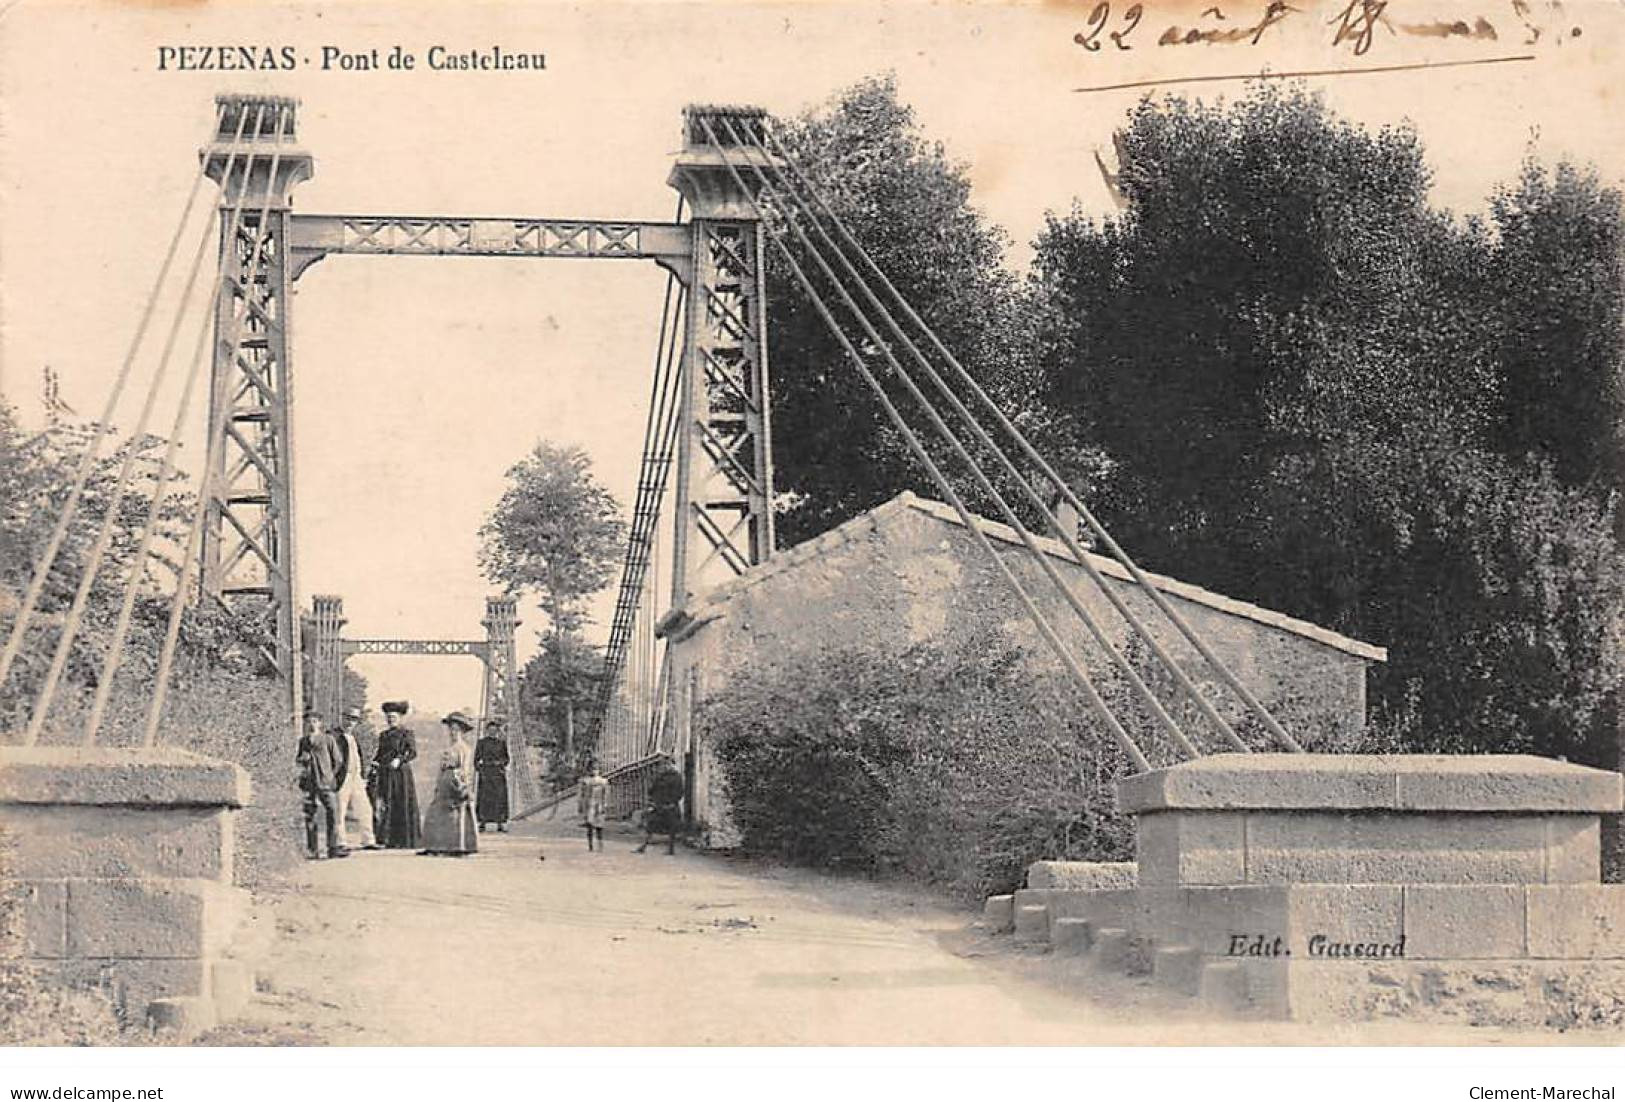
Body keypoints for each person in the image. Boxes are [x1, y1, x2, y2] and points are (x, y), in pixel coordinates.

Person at [420, 711, 478, 857]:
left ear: (462, 732)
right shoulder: (448, 748)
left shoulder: (464, 749)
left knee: (456, 815)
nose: (453, 733)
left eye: (456, 730)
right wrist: (438, 783)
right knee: (436, 812)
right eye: (451, 729)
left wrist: (463, 786)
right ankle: (435, 845)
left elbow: (464, 769)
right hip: (444, 781)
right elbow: (441, 767)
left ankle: (458, 846)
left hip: (455, 780)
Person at [296, 711, 350, 860]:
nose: (311, 725)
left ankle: (332, 848)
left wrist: (331, 775)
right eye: (309, 722)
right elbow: (298, 761)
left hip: (326, 782)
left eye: (314, 721)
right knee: (310, 815)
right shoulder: (304, 741)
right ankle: (312, 850)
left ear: (320, 723)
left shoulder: (328, 739)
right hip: (309, 784)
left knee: (332, 813)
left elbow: (338, 761)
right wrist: (303, 761)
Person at [373, 700, 421, 849]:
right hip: (386, 773)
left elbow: (412, 752)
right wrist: (375, 763)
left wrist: (399, 760)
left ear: (400, 718)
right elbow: (380, 753)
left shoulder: (407, 734)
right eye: (388, 717)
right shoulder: (383, 735)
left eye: (393, 717)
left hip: (401, 775)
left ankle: (405, 839)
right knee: (387, 803)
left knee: (402, 802)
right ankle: (389, 839)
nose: (390, 720)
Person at [334, 706, 379, 850]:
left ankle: (368, 840)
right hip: (342, 778)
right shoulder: (334, 737)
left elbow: (359, 758)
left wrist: (362, 775)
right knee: (340, 809)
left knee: (365, 808)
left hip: (356, 777)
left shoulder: (354, 738)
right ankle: (340, 841)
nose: (350, 722)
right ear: (342, 718)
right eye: (348, 718)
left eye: (354, 719)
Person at [635, 755, 684, 856]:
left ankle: (671, 849)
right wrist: (652, 801)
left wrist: (672, 802)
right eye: (664, 764)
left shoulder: (677, 777)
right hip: (659, 805)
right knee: (650, 825)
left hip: (671, 806)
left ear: (673, 765)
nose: (666, 766)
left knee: (672, 828)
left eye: (668, 764)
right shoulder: (660, 776)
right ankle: (643, 846)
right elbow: (652, 789)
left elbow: (680, 792)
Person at [474, 718, 511, 832]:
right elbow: (476, 759)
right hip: (486, 774)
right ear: (487, 731)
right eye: (490, 730)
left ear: (497, 731)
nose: (492, 732)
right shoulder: (482, 743)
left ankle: (500, 823)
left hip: (498, 775)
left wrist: (501, 765)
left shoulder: (501, 743)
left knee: (499, 798)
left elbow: (506, 759)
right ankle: (483, 822)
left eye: (494, 730)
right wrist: (480, 769)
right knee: (485, 798)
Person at [578, 764, 609, 851]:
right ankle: (590, 845)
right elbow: (583, 795)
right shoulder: (587, 782)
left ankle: (600, 845)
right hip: (590, 805)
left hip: (599, 805)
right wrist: (582, 805)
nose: (594, 771)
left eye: (596, 769)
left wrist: (604, 805)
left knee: (599, 826)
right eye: (593, 769)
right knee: (590, 825)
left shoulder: (603, 782)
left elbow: (605, 795)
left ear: (599, 771)